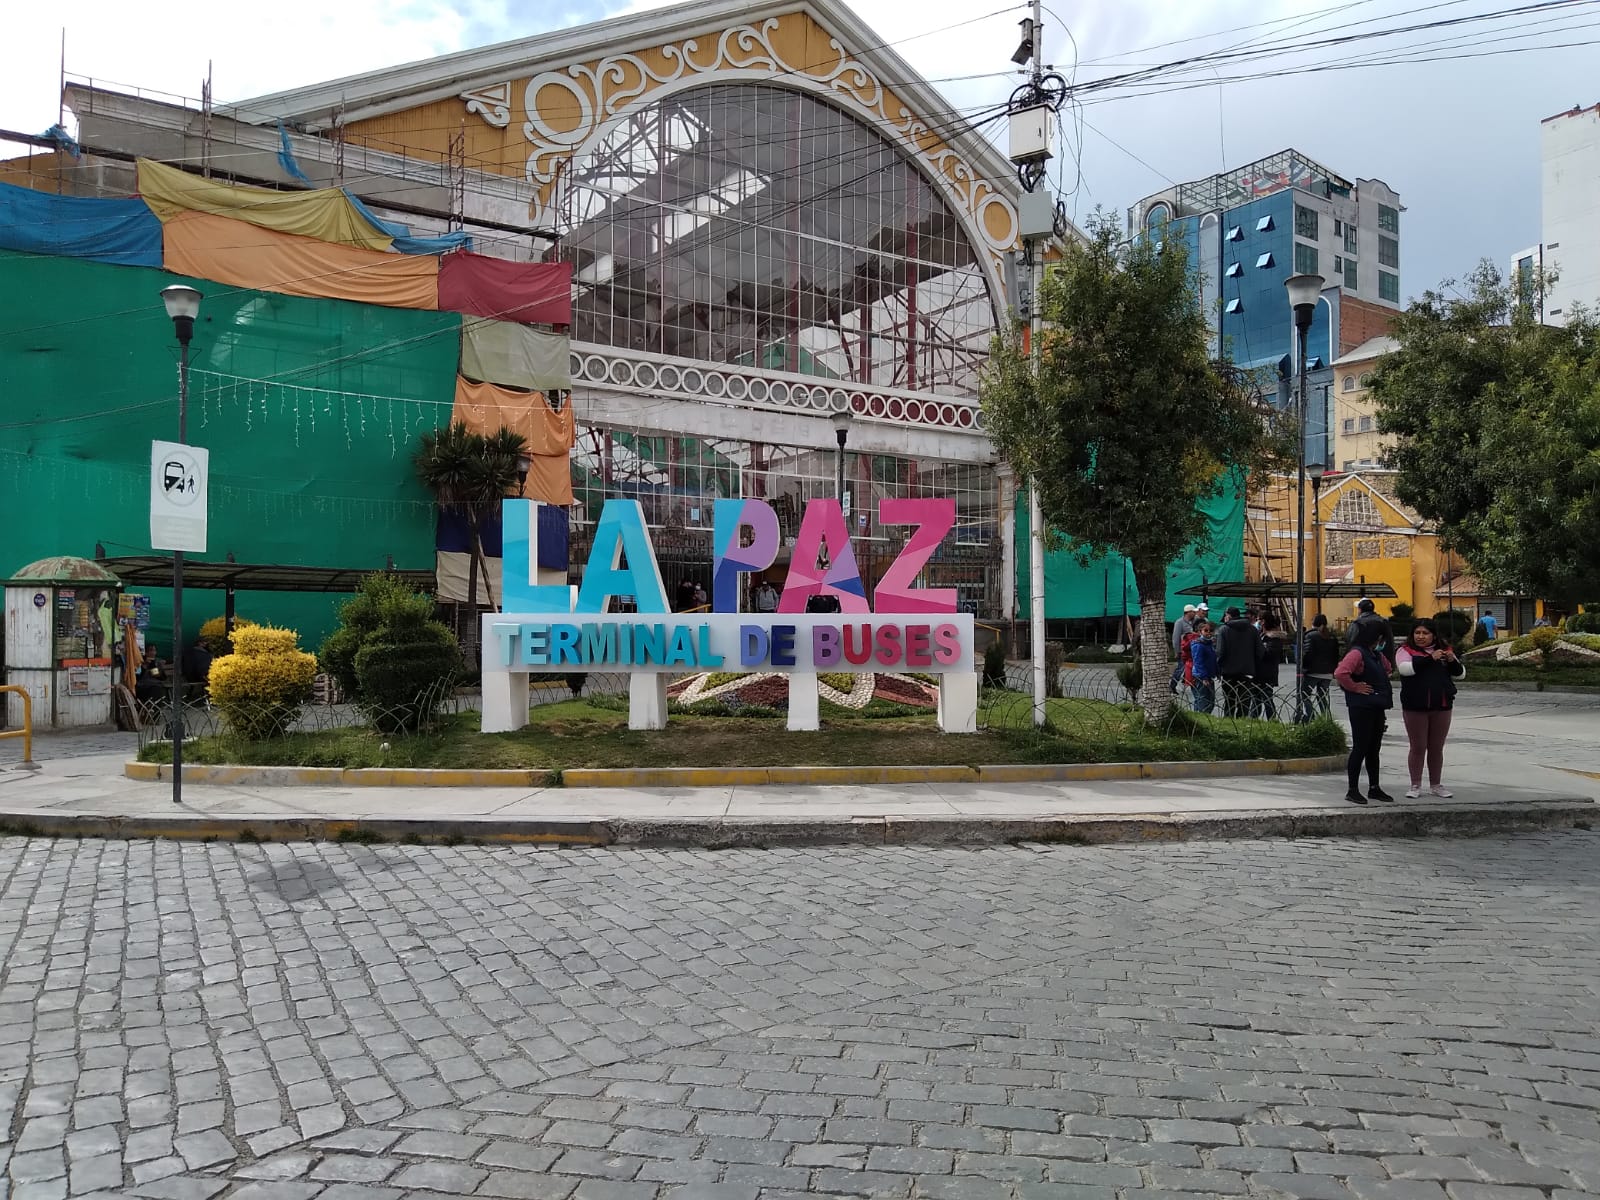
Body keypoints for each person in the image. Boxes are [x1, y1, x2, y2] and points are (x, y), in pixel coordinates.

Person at [1395, 619, 1465, 799]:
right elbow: (1405, 670)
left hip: (1442, 705)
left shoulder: (1444, 650)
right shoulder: (1405, 650)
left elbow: (1461, 674)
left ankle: (1436, 785)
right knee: (1418, 746)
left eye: (1425, 633)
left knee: (1436, 747)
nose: (1420, 636)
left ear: (1433, 635)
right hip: (1415, 706)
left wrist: (1451, 661)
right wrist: (1429, 659)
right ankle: (1415, 785)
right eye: (1417, 633)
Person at [1335, 620, 1396, 805]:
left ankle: (1374, 787)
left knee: (1373, 749)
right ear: (1378, 637)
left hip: (1376, 706)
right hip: (1361, 707)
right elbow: (1341, 673)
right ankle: (1352, 790)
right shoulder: (1357, 653)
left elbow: (1388, 669)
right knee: (1360, 747)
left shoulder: (1375, 654)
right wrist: (1355, 687)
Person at [1216, 606, 1261, 718]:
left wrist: (1219, 667)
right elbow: (1260, 651)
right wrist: (1252, 664)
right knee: (1244, 701)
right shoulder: (1253, 630)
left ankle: (1229, 721)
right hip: (1247, 671)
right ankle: (1242, 720)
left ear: (1228, 616)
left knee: (1229, 700)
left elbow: (1220, 652)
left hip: (1228, 671)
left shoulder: (1224, 630)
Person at [1297, 614, 1341, 721]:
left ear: (1313, 623)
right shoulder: (1332, 637)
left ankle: (1310, 715)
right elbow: (1336, 655)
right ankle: (1326, 718)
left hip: (1312, 672)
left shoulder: (1310, 636)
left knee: (1305, 694)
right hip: (1328, 673)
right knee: (1322, 696)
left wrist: (1304, 667)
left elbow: (1307, 654)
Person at [1252, 613, 1287, 719]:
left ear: (1263, 621)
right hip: (1258, 672)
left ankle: (1272, 720)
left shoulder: (1274, 638)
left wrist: (1258, 647)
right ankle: (1253, 719)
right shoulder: (1261, 635)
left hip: (1267, 673)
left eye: (1259, 619)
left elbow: (1269, 654)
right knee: (1256, 699)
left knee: (1267, 698)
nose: (1257, 622)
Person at [1188, 622, 1218, 714]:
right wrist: (1204, 677)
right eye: (1206, 630)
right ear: (1200, 632)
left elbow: (1213, 660)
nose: (1209, 633)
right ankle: (1201, 717)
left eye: (1211, 630)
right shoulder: (1198, 645)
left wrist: (1217, 672)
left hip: (1209, 675)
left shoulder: (1209, 644)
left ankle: (1203, 716)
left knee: (1211, 700)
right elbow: (1198, 662)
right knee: (1203, 700)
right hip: (1200, 677)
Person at [1170, 605, 1197, 692]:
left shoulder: (1194, 621)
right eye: (1193, 612)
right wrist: (1177, 651)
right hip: (1183, 651)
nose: (1195, 613)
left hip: (1192, 651)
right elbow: (1176, 638)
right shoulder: (1179, 622)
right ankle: (1172, 685)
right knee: (1180, 669)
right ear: (1188, 612)